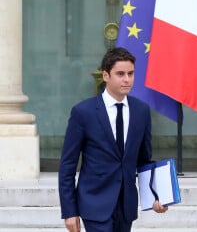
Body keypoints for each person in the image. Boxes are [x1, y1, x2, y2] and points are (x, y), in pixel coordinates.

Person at [58, 47, 168, 232]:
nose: (127, 79)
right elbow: (68, 165)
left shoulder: (141, 111)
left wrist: (157, 196)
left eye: (131, 73)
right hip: (94, 204)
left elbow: (143, 161)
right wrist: (69, 211)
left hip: (126, 207)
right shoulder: (83, 112)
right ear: (106, 76)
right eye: (120, 74)